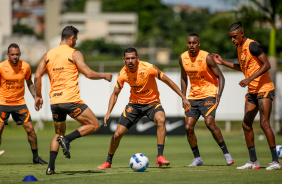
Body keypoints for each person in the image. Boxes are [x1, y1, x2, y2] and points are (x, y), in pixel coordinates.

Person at [34, 26, 112, 175]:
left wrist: (38, 96)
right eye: (75, 39)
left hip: (55, 102)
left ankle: (50, 167)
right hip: (70, 99)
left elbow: (37, 76)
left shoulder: (48, 55)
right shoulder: (74, 53)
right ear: (71, 38)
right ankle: (68, 139)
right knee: (94, 124)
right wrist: (104, 75)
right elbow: (88, 73)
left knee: (57, 134)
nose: (76, 42)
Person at [97, 47, 191, 169]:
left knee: (161, 120)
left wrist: (183, 97)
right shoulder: (123, 73)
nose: (130, 61)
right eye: (127, 58)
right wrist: (108, 112)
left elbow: (168, 81)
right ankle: (108, 162)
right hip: (134, 105)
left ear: (137, 58)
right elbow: (115, 94)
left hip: (152, 103)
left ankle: (160, 157)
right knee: (117, 135)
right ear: (124, 60)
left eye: (132, 58)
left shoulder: (148, 68)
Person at [212, 21, 281, 170]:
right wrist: (222, 62)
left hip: (264, 88)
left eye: (235, 36)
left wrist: (249, 79)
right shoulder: (239, 48)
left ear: (242, 34)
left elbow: (267, 64)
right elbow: (242, 68)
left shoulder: (252, 45)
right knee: (246, 124)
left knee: (264, 123)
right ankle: (253, 161)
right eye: (231, 37)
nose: (233, 40)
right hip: (252, 91)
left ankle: (275, 161)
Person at [179, 33, 234, 167]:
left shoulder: (207, 57)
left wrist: (218, 94)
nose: (191, 45)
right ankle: (197, 158)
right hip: (193, 97)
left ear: (199, 44)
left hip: (209, 94)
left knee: (210, 123)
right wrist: (183, 97)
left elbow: (221, 77)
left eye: (194, 43)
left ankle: (226, 154)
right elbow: (183, 78)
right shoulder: (182, 58)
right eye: (189, 43)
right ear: (187, 44)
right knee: (188, 127)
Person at [0, 43, 47, 164]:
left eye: (17, 54)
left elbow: (29, 83)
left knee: (31, 130)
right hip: (3, 103)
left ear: (20, 54)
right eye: (12, 54)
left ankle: (36, 157)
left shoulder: (25, 66)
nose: (15, 56)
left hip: (19, 103)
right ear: (8, 55)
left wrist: (36, 97)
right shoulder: (1, 67)